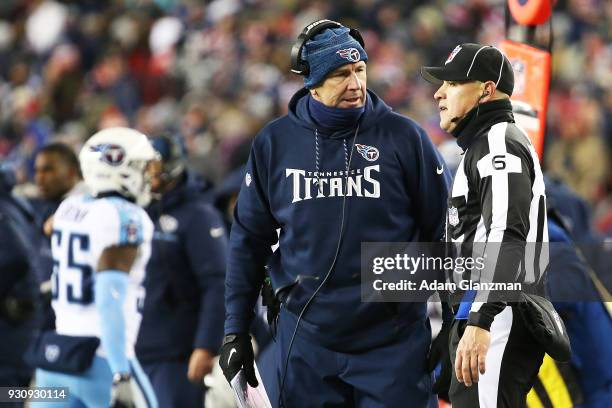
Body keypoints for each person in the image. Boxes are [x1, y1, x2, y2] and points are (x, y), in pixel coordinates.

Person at [220, 19, 450, 407]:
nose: (356, 84)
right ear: (311, 81)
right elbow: (248, 241)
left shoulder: (404, 137)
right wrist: (235, 330)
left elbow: (443, 232)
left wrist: (455, 319)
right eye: (341, 74)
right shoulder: (274, 144)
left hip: (392, 343)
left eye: (360, 70)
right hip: (307, 340)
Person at [421, 43, 549, 407]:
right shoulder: (481, 145)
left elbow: (506, 234)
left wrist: (479, 321)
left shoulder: (498, 144)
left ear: (486, 90)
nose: (439, 92)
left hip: (498, 317)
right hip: (486, 316)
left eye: (452, 83)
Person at [33, 127, 158, 407]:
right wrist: (120, 372)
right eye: (141, 167)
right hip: (101, 359)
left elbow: (50, 227)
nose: (149, 175)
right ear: (118, 167)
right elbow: (108, 298)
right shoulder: (128, 218)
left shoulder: (68, 208)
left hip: (55, 361)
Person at [135, 134, 227, 407]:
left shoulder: (197, 215)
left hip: (177, 354)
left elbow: (217, 283)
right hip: (136, 350)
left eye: (151, 165)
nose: (145, 173)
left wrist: (205, 345)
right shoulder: (135, 212)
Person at [0, 164, 41, 407]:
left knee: (7, 394)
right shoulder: (13, 204)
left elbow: (15, 258)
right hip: (16, 324)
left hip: (11, 326)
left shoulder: (4, 209)